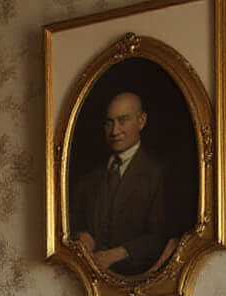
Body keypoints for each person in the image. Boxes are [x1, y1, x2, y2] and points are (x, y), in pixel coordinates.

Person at [71, 91, 168, 276]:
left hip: (138, 278)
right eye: (109, 123)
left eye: (123, 120)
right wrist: (81, 235)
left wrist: (120, 253)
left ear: (141, 121)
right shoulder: (88, 179)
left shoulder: (158, 173)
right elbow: (74, 222)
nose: (115, 131)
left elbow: (162, 237)